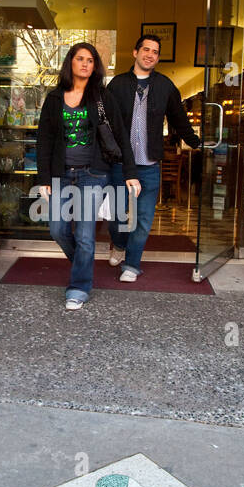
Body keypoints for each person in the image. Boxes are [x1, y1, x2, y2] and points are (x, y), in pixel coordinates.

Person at [36, 42, 140, 311]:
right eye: (79, 58)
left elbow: (121, 138)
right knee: (57, 229)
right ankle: (83, 263)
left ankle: (79, 287)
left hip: (92, 175)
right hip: (61, 174)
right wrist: (44, 178)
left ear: (95, 66)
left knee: (84, 236)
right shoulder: (55, 98)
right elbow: (44, 141)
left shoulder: (102, 97)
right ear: (70, 62)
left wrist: (130, 173)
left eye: (90, 60)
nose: (84, 63)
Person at [105, 34, 201, 281]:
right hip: (119, 165)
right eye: (146, 49)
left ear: (157, 57)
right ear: (135, 52)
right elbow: (105, 124)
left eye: (155, 51)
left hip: (149, 165)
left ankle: (131, 265)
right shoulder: (116, 85)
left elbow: (179, 119)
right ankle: (118, 244)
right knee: (117, 216)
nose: (150, 54)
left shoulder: (165, 86)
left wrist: (195, 143)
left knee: (144, 219)